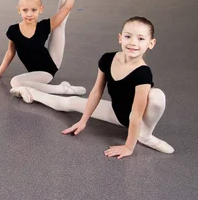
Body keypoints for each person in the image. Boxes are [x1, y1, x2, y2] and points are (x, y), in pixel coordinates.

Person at [10, 17, 174, 158]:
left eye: (141, 39)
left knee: (157, 95)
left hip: (136, 118)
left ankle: (145, 136)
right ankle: (31, 92)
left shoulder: (143, 74)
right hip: (117, 112)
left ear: (151, 43)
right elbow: (96, 91)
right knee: (69, 103)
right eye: (128, 36)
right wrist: (83, 121)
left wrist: (128, 147)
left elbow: (137, 114)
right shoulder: (107, 59)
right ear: (120, 38)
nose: (133, 43)